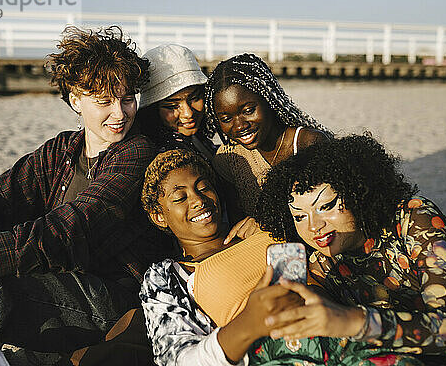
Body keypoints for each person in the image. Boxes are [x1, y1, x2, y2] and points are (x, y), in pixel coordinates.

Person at [0, 26, 175, 364]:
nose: (120, 113)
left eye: (128, 98)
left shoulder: (136, 154)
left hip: (114, 301)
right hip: (60, 282)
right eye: (104, 101)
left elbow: (68, 230)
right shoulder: (62, 150)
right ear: (75, 98)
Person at [255, 134, 446, 365]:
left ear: (358, 193)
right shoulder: (326, 265)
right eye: (299, 216)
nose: (314, 226)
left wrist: (349, 321)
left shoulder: (414, 217)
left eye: (326, 206)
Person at [139, 149, 423, 366]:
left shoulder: (262, 227)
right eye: (180, 198)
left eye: (203, 187)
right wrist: (249, 323)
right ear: (158, 216)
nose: (199, 200)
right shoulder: (167, 276)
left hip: (339, 321)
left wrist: (270, 227)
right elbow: (176, 361)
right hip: (277, 349)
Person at [204, 53, 331, 240]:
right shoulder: (228, 158)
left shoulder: (307, 143)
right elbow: (237, 224)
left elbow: (332, 212)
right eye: (226, 119)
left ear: (268, 100)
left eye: (248, 111)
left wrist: (265, 225)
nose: (240, 125)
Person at [137, 44, 217, 162]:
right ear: (152, 111)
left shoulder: (197, 140)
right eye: (172, 106)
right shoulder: (164, 157)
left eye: (195, 98)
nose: (188, 113)